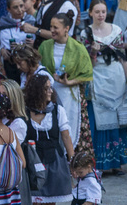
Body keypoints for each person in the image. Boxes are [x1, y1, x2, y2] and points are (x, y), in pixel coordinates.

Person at [82, 0, 127, 173]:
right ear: (90, 13)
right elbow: (86, 63)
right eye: (97, 11)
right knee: (100, 120)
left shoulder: (116, 31)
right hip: (97, 77)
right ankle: (102, 163)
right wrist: (93, 52)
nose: (100, 15)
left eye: (103, 11)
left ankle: (118, 162)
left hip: (116, 76)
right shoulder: (85, 34)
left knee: (118, 118)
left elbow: (122, 58)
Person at [24, 73, 75, 205]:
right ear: (37, 91)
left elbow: (66, 136)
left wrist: (74, 162)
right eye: (46, 88)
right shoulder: (24, 112)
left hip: (53, 160)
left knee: (50, 202)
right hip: (31, 162)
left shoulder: (57, 111)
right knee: (30, 201)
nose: (50, 91)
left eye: (50, 87)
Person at [38, 13, 94, 155]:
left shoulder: (78, 48)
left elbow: (87, 74)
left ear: (66, 29)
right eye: (51, 27)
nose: (52, 30)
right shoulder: (45, 46)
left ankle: (71, 160)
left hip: (70, 94)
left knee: (69, 127)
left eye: (56, 27)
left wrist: (70, 82)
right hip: (49, 94)